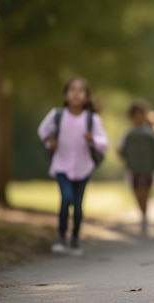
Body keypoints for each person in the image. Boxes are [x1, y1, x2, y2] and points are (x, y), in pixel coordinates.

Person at [37, 77, 109, 255]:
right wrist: (49, 142)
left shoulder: (92, 119)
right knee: (66, 199)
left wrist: (93, 140)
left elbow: (104, 142)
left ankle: (75, 238)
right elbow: (43, 131)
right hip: (61, 165)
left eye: (80, 91)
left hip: (83, 167)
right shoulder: (57, 115)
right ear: (65, 95)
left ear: (86, 97)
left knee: (78, 205)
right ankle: (62, 237)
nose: (76, 93)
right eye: (72, 90)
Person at [117, 101, 154, 236]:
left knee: (145, 193)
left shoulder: (151, 132)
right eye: (136, 115)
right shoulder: (127, 133)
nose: (138, 118)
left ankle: (144, 215)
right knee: (138, 194)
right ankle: (143, 214)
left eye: (141, 115)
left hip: (149, 169)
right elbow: (121, 150)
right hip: (133, 170)